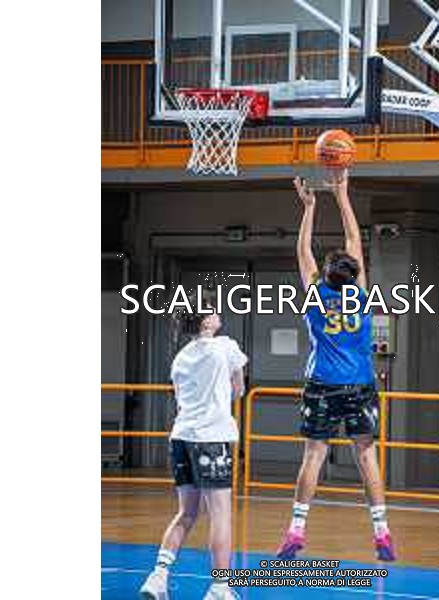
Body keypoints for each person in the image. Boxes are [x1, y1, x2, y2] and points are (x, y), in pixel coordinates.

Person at [276, 173, 397, 562]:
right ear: (354, 274)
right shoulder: (360, 294)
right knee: (366, 456)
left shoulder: (314, 293)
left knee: (313, 456)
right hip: (360, 384)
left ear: (325, 275)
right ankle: (382, 534)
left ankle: (296, 531)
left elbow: (302, 250)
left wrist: (309, 206)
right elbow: (354, 239)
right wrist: (342, 194)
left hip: (322, 384)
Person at [140, 296, 247, 600]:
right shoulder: (226, 346)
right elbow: (239, 390)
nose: (219, 314)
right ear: (206, 320)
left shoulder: (180, 358)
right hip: (211, 439)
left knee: (186, 513)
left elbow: (181, 397)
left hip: (181, 438)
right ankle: (220, 588)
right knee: (220, 515)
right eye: (214, 311)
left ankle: (158, 578)